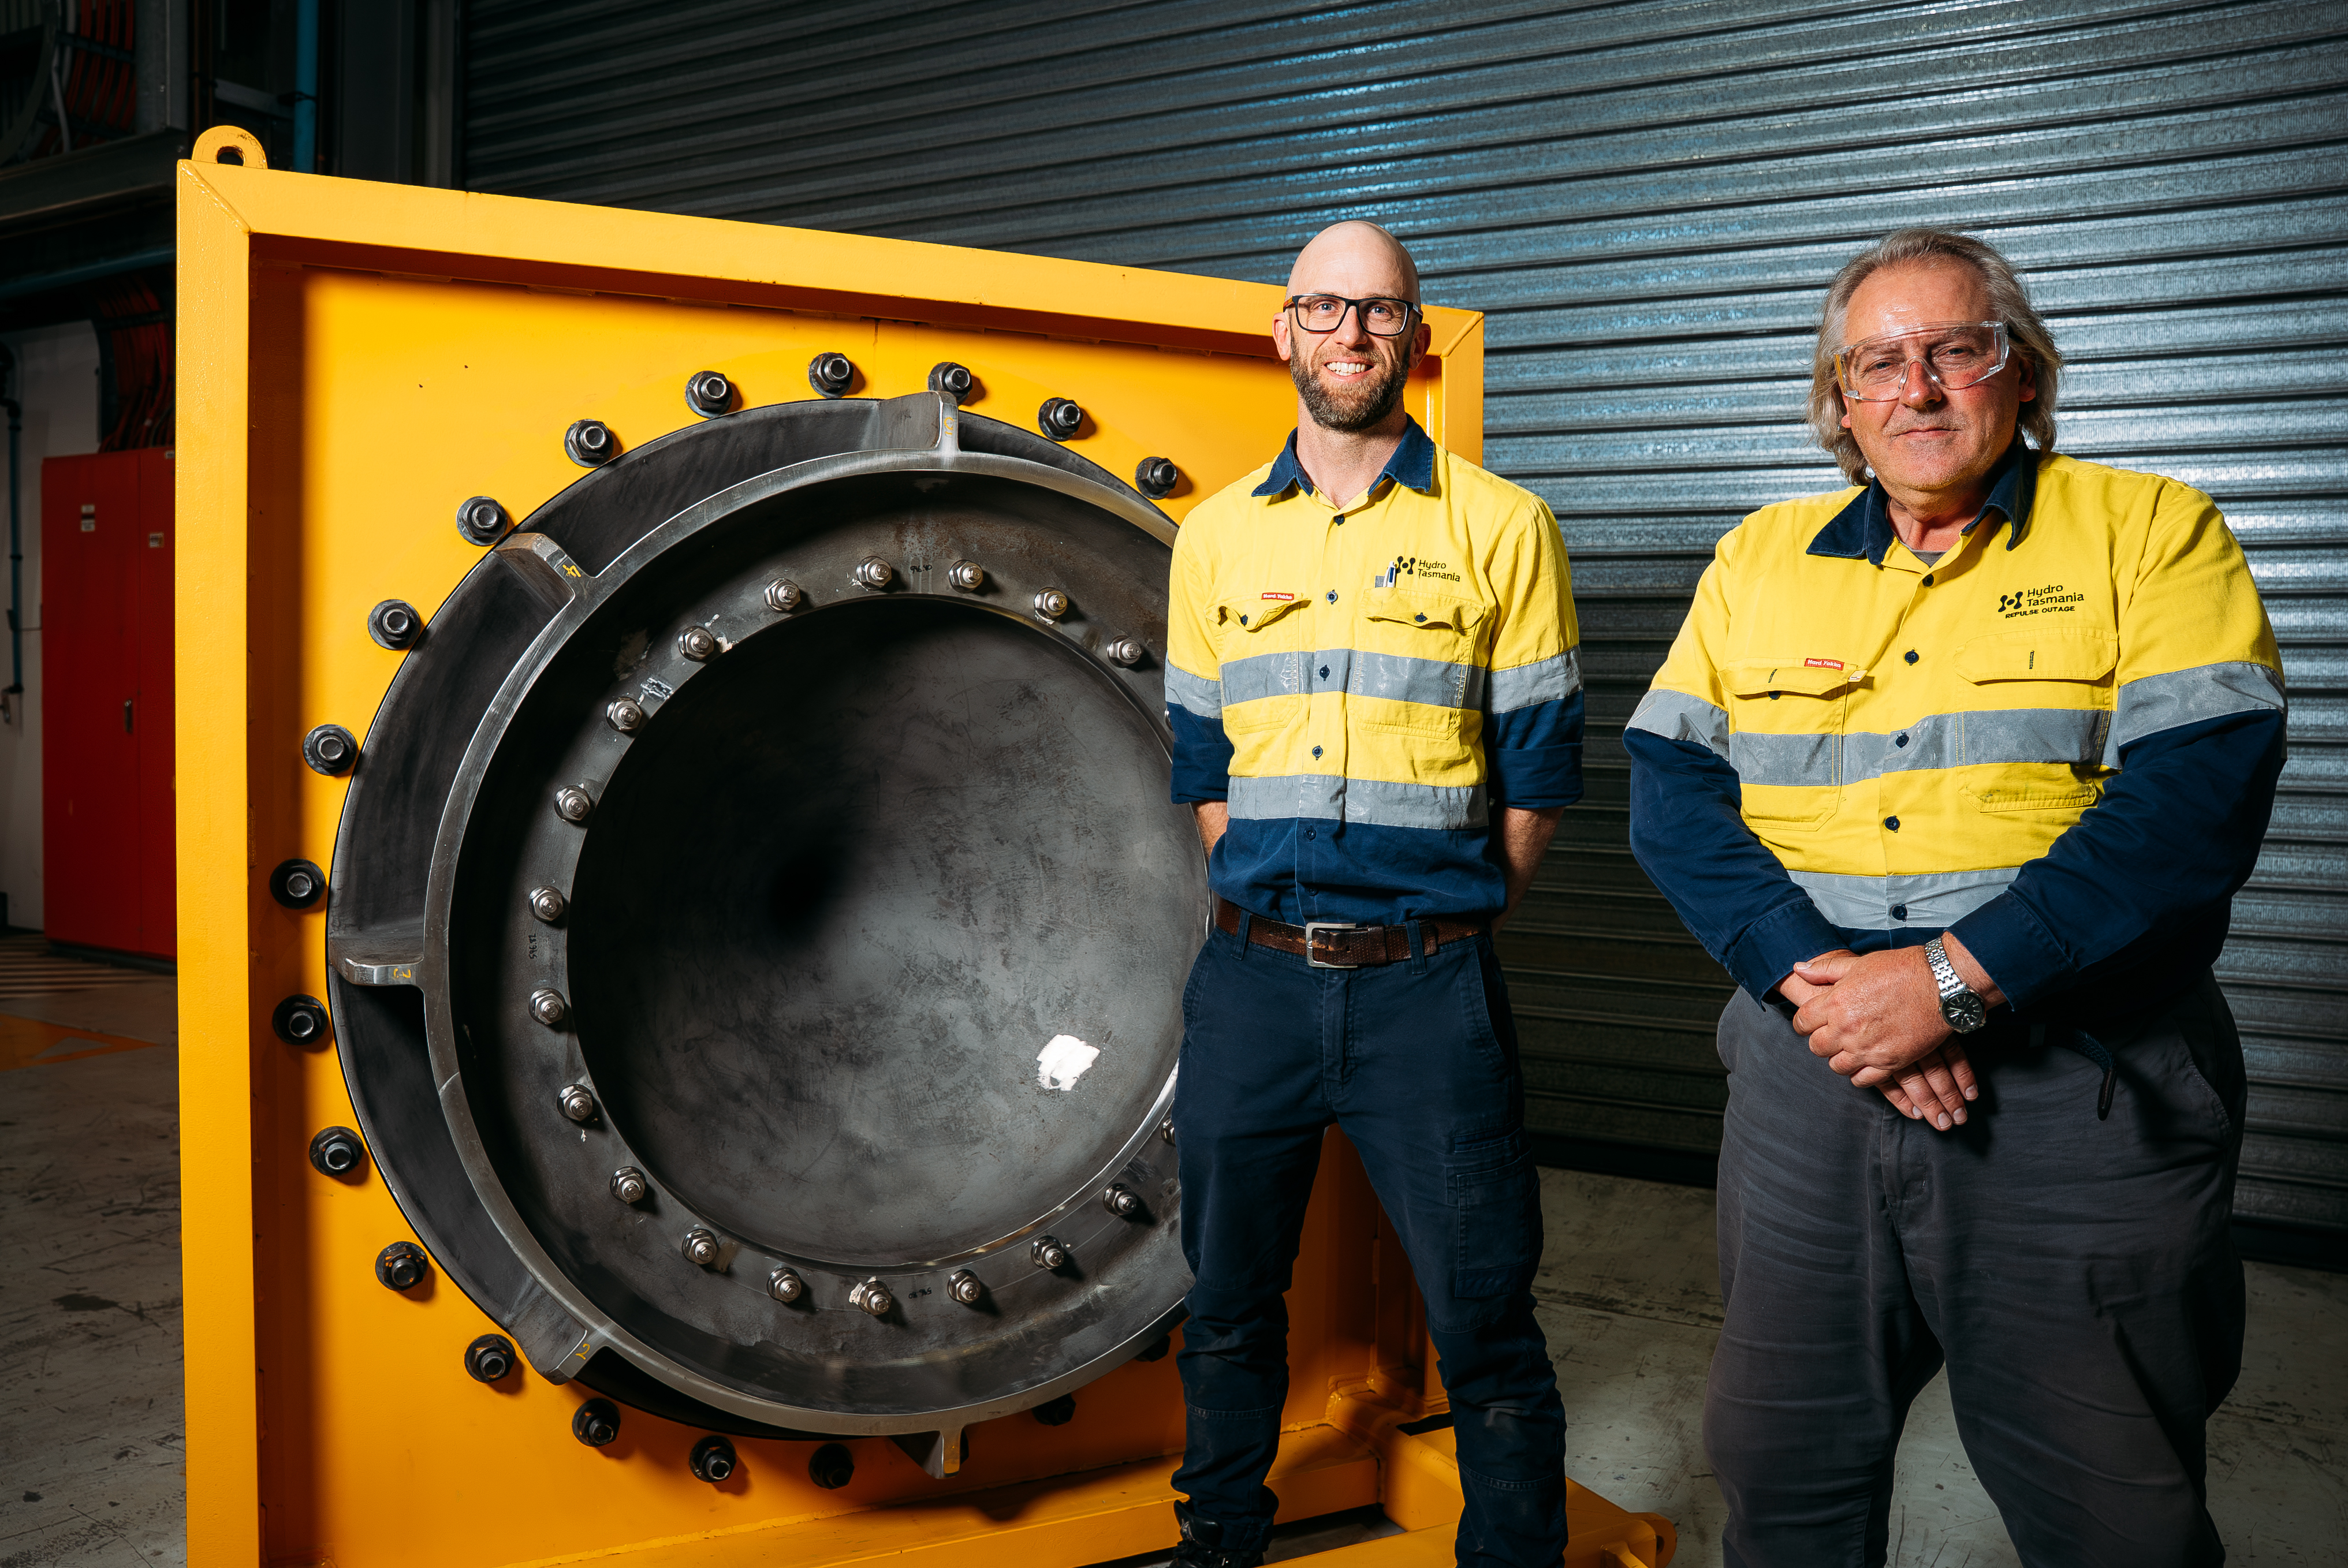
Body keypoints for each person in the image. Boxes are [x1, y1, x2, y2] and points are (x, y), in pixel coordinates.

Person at [1624, 227, 2286, 1567]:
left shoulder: (2149, 531)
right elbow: (1667, 788)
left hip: (2073, 1086)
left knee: (2111, 1503)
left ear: (2022, 375)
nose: (1915, 386)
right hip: (1809, 1076)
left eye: (1954, 349)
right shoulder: (1759, 558)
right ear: (1839, 404)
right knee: (1781, 1461)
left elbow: (2194, 798)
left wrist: (1945, 982)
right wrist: (1820, 981)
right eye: (1875, 361)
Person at [1161, 221, 1582, 1568]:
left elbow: (1536, 777)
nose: (1351, 335)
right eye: (1325, 310)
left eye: (1380, 311)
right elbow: (1201, 764)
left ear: (1411, 335)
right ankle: (1219, 1539)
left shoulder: (1503, 528)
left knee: (1484, 1320)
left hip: (1427, 989)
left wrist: (1439, 921)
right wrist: (1273, 910)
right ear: (1280, 331)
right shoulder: (1213, 538)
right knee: (1225, 1300)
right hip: (1249, 987)